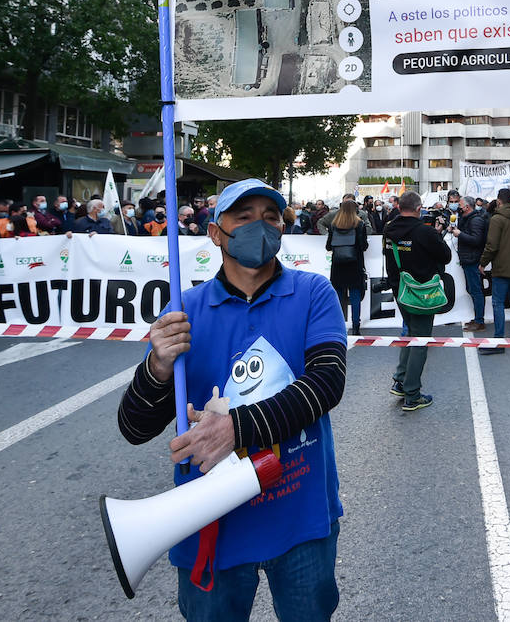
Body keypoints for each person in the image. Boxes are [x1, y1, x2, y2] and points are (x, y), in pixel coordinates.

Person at [114, 178, 346, 620]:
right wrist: (157, 368)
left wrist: (235, 428)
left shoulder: (314, 293)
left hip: (301, 520)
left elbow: (326, 383)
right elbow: (134, 428)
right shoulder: (185, 311)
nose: (260, 226)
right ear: (216, 234)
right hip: (208, 526)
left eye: (271, 217)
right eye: (243, 217)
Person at [382, 191, 450, 409]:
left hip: (400, 290)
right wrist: (437, 234)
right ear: (419, 208)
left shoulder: (389, 229)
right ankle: (412, 393)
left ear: (399, 207)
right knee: (421, 341)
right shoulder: (424, 231)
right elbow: (445, 256)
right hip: (421, 292)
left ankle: (400, 381)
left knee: (410, 334)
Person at [479, 187, 510, 353]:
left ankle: (499, 340)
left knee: (498, 303)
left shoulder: (497, 219)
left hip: (502, 267)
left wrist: (483, 262)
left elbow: (491, 245)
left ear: (499, 201)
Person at [325, 199, 369, 335]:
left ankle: (337, 325)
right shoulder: (359, 224)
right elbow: (363, 246)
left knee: (338, 296)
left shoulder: (334, 225)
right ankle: (356, 326)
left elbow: (328, 246)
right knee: (355, 296)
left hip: (338, 265)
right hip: (355, 264)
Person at [453, 196, 490, 332]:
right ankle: (477, 318)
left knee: (476, 290)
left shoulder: (476, 220)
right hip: (468, 259)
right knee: (472, 289)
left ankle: (479, 321)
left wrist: (460, 234)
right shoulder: (468, 219)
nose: (458, 206)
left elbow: (476, 240)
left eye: (460, 204)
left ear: (467, 207)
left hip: (472, 260)